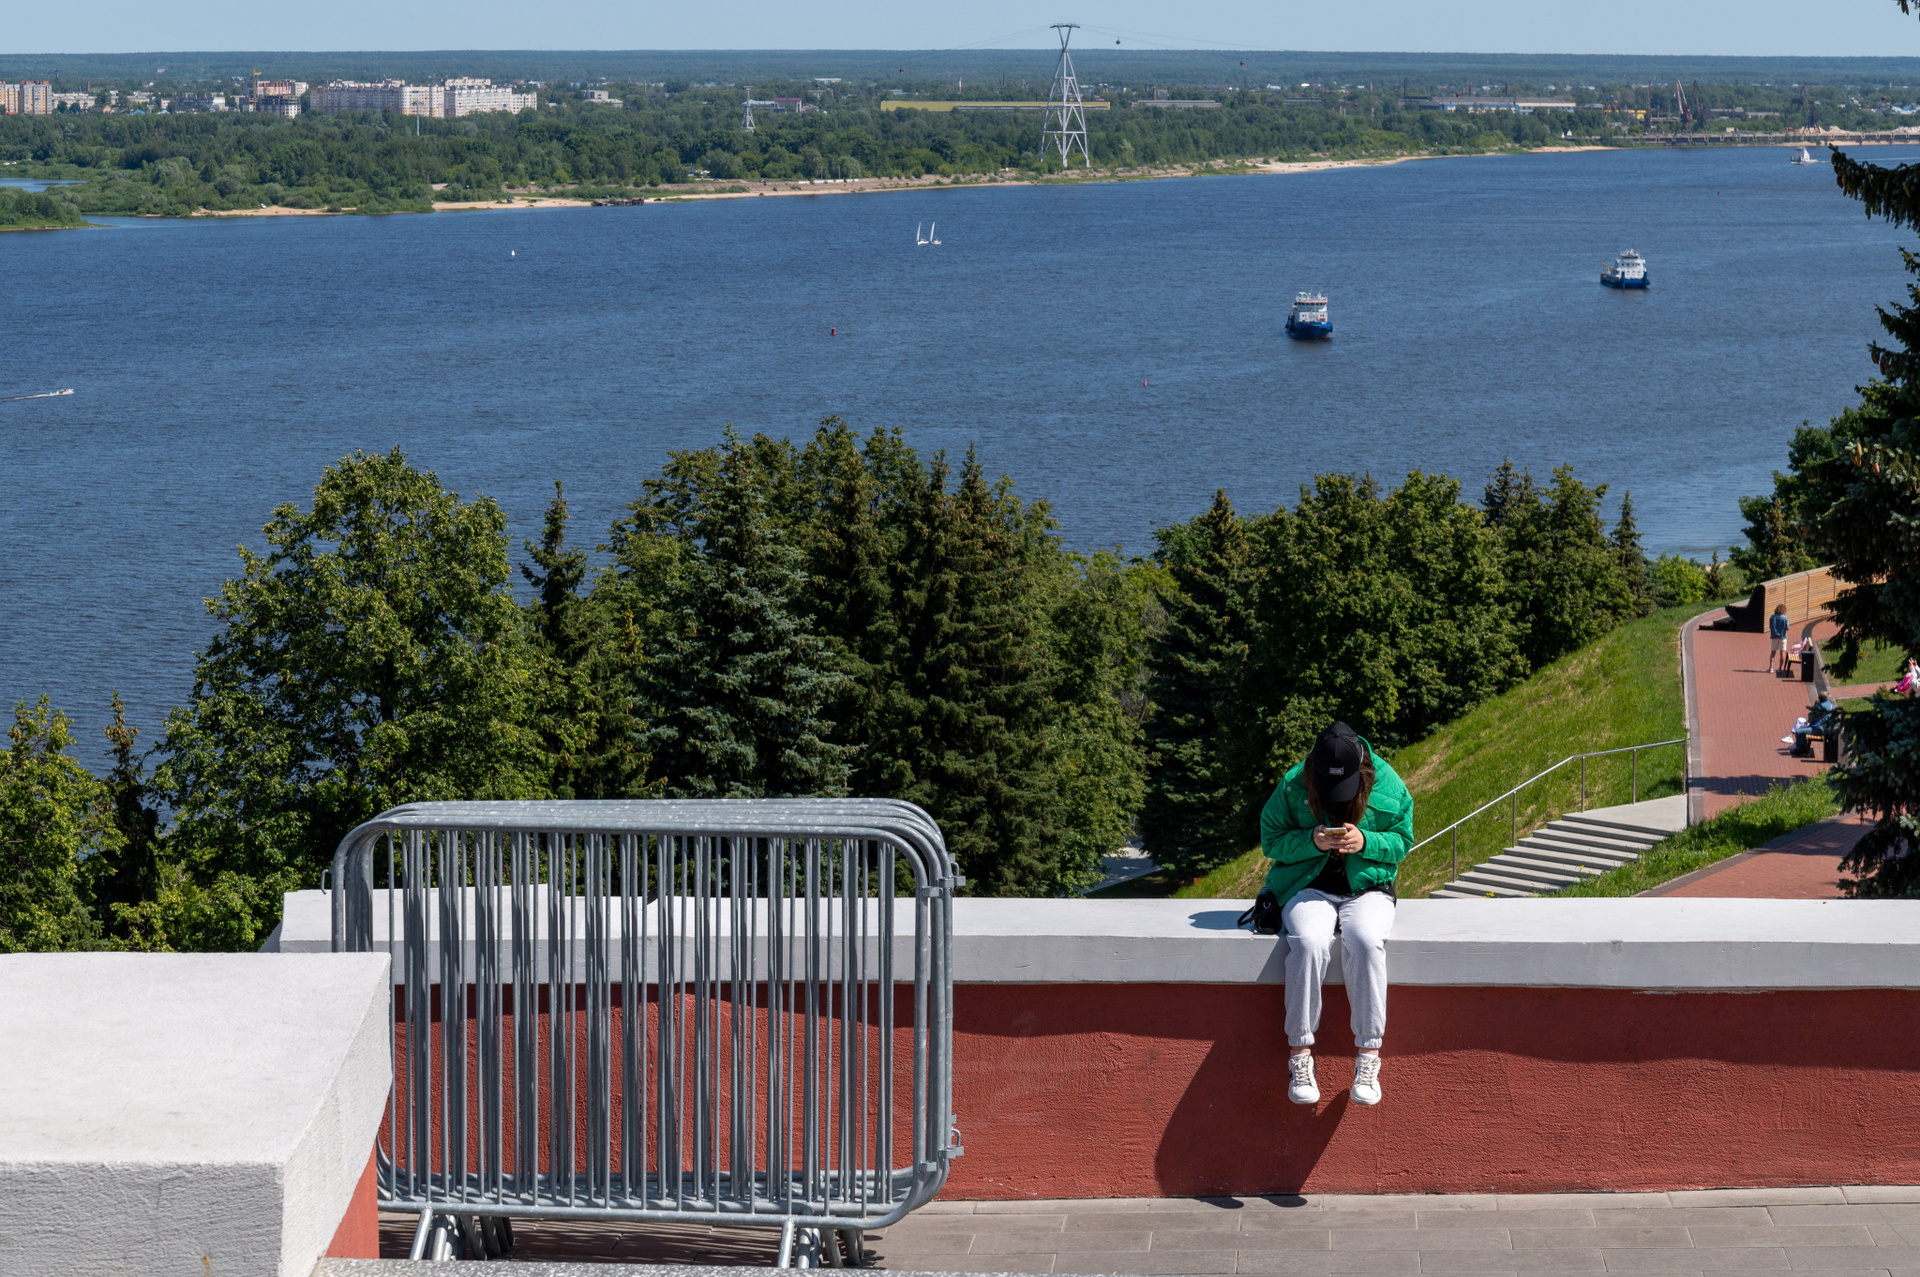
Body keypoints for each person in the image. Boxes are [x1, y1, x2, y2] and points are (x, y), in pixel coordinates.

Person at [1259, 721, 1413, 1108]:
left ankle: (1369, 1056)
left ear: (1362, 772)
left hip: (1369, 887)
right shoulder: (1294, 783)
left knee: (1365, 941)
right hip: (1306, 885)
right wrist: (1310, 841)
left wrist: (1366, 841)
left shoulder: (1389, 783)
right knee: (1309, 942)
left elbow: (1402, 841)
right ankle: (1299, 1055)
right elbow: (1270, 840)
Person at [1769, 604, 1792, 673]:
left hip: (1774, 637)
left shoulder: (1772, 617)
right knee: (1782, 653)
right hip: (1783, 637)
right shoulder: (1785, 618)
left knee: (1773, 652)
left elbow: (1770, 627)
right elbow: (1787, 628)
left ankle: (1771, 668)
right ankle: (1780, 668)